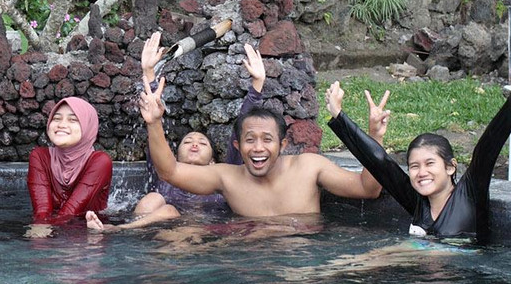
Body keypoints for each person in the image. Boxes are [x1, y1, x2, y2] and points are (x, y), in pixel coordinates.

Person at [136, 47, 384, 218]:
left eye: (267, 139)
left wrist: (375, 137)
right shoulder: (227, 178)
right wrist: (154, 122)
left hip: (302, 267)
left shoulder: (309, 167)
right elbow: (169, 171)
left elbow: (368, 190)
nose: (257, 148)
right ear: (237, 146)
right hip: (250, 268)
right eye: (249, 140)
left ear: (283, 145)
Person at [87, 36, 266, 232]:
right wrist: (148, 72)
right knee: (156, 201)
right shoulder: (164, 175)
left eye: (202, 143)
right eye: (187, 142)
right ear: (174, 156)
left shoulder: (224, 178)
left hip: (209, 237)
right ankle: (127, 231)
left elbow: (242, 132)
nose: (194, 144)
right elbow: (154, 122)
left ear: (213, 161)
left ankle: (119, 230)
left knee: (169, 210)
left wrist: (257, 86)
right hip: (162, 233)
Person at [326, 81, 511, 243]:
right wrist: (338, 115)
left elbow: (490, 143)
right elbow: (381, 164)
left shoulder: (470, 193)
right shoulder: (417, 201)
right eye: (414, 166)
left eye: (430, 163)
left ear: (450, 167)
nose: (422, 172)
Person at [27, 97, 112, 226]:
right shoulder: (39, 156)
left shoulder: (100, 161)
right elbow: (41, 212)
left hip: (89, 229)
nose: (61, 125)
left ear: (87, 127)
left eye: (73, 120)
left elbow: (70, 213)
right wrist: (39, 231)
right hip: (53, 226)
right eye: (56, 118)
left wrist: (44, 230)